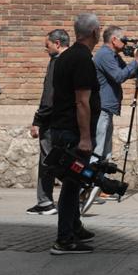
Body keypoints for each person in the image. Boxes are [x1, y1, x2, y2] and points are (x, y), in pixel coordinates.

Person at [46, 13, 102, 254]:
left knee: (75, 181)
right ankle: (65, 239)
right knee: (71, 185)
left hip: (63, 130)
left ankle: (75, 226)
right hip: (73, 134)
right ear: (94, 33)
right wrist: (86, 137)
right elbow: (81, 102)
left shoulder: (66, 57)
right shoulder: (82, 60)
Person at [92, 26, 138, 170]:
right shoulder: (105, 55)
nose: (126, 43)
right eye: (124, 40)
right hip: (102, 109)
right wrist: (135, 60)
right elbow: (119, 76)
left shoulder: (114, 55)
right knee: (98, 150)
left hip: (108, 109)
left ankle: (100, 185)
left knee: (106, 150)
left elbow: (129, 73)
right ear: (114, 39)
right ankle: (88, 186)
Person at [28, 28, 70, 215]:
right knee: (61, 160)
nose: (46, 49)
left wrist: (37, 120)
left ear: (57, 43)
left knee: (48, 161)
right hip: (68, 121)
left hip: (52, 122)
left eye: (48, 45)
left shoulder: (57, 62)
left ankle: (45, 202)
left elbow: (49, 95)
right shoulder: (76, 60)